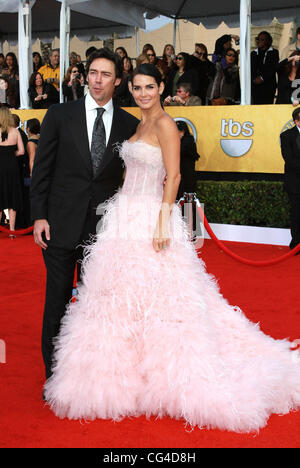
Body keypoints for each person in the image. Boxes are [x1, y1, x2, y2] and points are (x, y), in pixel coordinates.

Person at [43, 63, 300, 433]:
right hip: (120, 218)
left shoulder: (165, 124)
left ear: (162, 87)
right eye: (137, 87)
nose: (143, 93)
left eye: (150, 86)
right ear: (128, 88)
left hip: (150, 218)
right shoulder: (138, 124)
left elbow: (174, 175)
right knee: (117, 300)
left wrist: (163, 221)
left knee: (165, 302)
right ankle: (124, 375)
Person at [30, 48, 139, 384]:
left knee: (96, 304)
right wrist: (39, 216)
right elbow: (42, 169)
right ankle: (55, 375)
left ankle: (91, 373)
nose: (97, 80)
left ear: (117, 81)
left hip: (103, 232)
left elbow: (128, 180)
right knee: (58, 300)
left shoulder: (129, 124)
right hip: (59, 224)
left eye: (105, 74)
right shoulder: (60, 114)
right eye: (93, 72)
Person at [0, 107, 24, 237]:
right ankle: (12, 230)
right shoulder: (15, 131)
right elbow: (21, 151)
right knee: (12, 197)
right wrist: (10, 154)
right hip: (12, 167)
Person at [280, 108, 300, 252]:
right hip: (295, 182)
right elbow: (289, 159)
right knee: (296, 213)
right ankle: (296, 243)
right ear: (296, 121)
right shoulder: (286, 136)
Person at [251, 31, 279, 105]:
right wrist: (254, 79)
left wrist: (262, 78)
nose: (259, 41)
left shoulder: (274, 52)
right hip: (255, 87)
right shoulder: (253, 53)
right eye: (258, 39)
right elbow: (251, 69)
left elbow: (273, 68)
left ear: (268, 41)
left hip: (268, 87)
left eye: (262, 39)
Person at [176, 120, 200, 199]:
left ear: (182, 131)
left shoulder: (188, 140)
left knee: (187, 201)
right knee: (178, 199)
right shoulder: (178, 141)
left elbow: (180, 152)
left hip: (187, 176)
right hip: (179, 176)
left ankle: (188, 211)